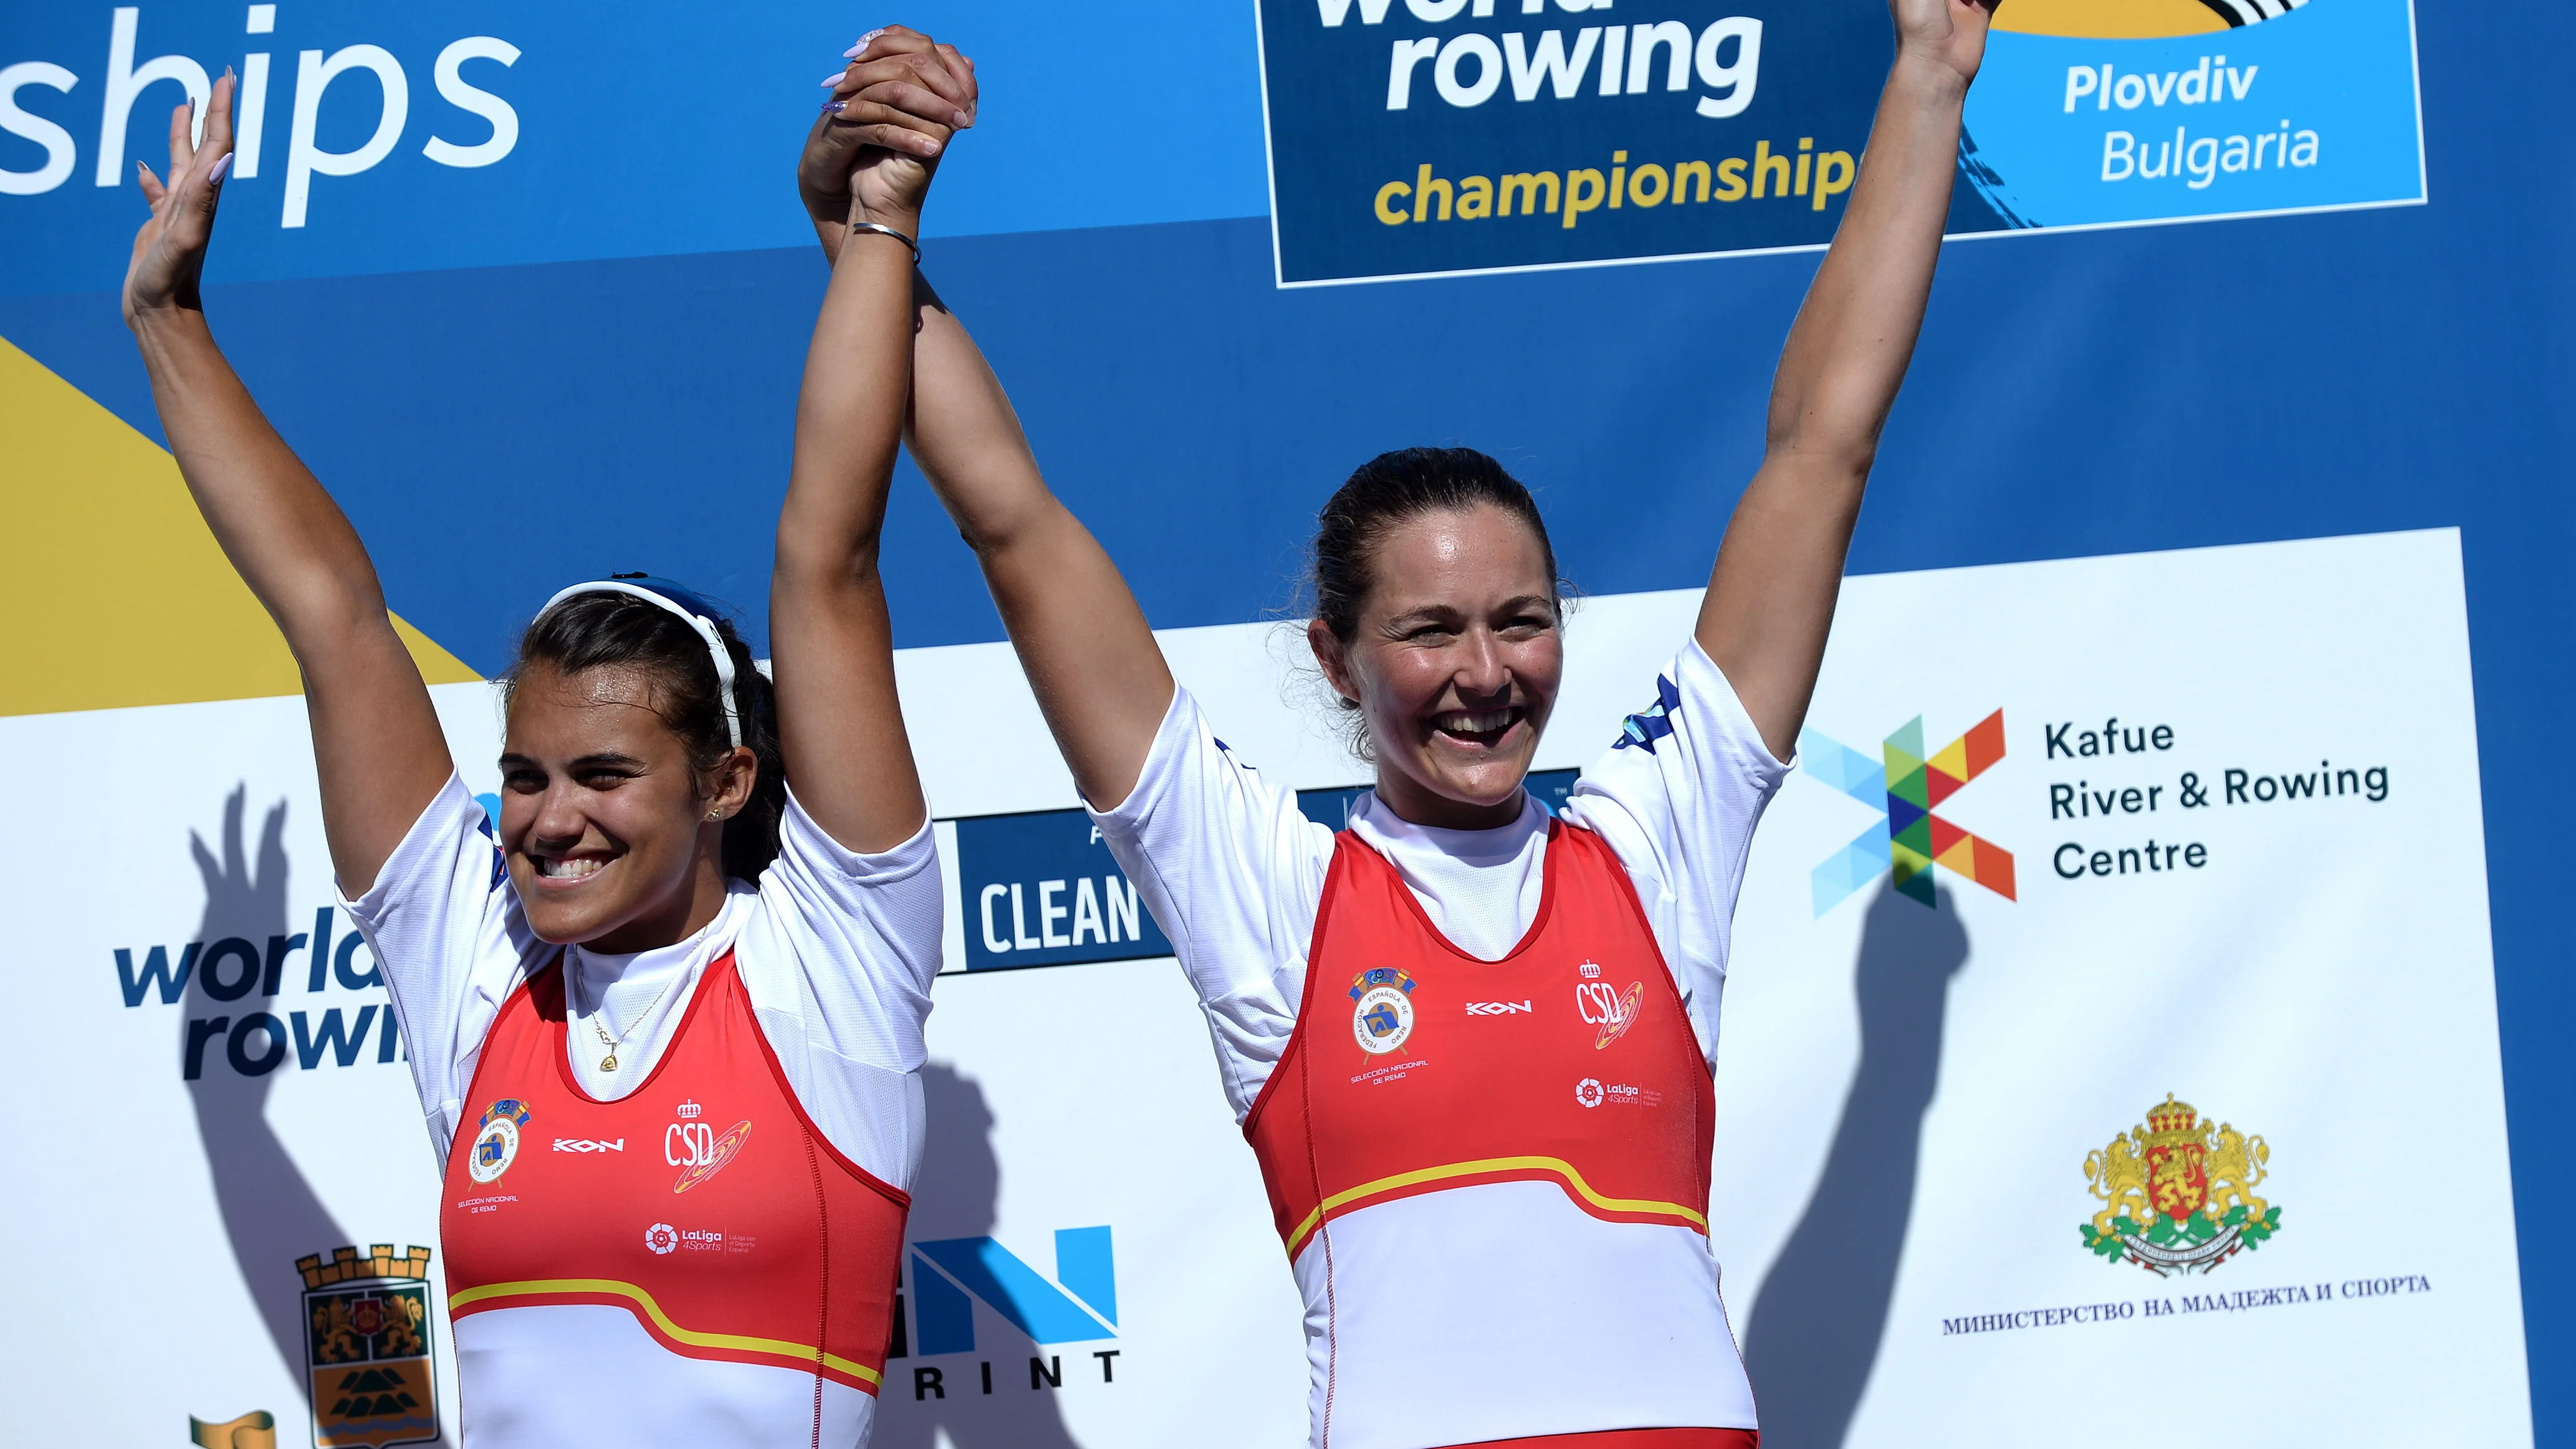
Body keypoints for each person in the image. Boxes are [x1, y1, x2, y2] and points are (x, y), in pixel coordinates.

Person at [887, 0, 1996, 1442]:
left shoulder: (1655, 836)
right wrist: (872, 235)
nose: (1486, 671)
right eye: (1428, 630)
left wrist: (1926, 72)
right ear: (1335, 659)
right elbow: (1017, 530)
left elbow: (1820, 450)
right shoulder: (1271, 892)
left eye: (1519, 619)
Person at [122, 30, 975, 1445]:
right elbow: (334, 614)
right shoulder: (477, 960)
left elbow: (828, 559)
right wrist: (166, 318)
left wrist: (873, 219)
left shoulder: (831, 954)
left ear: (726, 781)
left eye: (599, 775)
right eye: (521, 775)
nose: (544, 817)